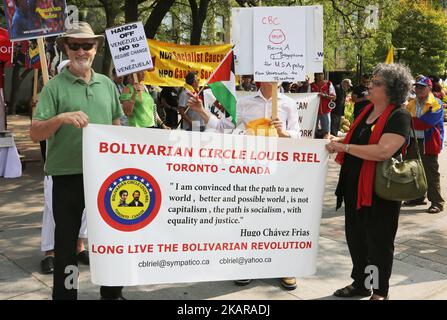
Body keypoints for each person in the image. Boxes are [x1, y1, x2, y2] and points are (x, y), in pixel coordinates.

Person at [30, 22, 125, 300]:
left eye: (87, 45)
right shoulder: (54, 88)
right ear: (66, 48)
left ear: (96, 48)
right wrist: (61, 118)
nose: (81, 50)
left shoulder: (107, 84)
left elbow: (116, 124)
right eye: (75, 45)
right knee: (67, 245)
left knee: (112, 241)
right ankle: (65, 295)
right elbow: (35, 133)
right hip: (67, 175)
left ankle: (112, 293)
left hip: (105, 177)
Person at [188, 81, 300, 291]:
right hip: (251, 170)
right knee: (250, 217)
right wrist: (201, 110)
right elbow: (223, 129)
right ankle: (247, 264)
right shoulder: (245, 103)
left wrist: (285, 134)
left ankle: (285, 266)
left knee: (280, 218)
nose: (272, 77)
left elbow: (299, 135)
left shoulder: (288, 104)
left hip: (280, 170)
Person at [326, 63, 413, 300]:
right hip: (355, 188)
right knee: (357, 240)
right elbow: (359, 138)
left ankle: (378, 290)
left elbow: (382, 151)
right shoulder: (366, 110)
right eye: (371, 82)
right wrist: (338, 139)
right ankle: (361, 284)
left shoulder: (399, 116)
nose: (369, 86)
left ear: (392, 89)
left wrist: (344, 146)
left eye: (376, 83)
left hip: (379, 192)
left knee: (378, 244)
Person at [40, 59, 89, 275]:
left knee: (85, 212)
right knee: (53, 212)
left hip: (87, 168)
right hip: (59, 171)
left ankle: (79, 247)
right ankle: (50, 254)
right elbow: (37, 131)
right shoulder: (52, 93)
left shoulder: (97, 90)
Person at [404, 76, 444, 214]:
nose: (418, 89)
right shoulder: (411, 103)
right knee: (412, 171)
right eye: (417, 87)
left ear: (429, 88)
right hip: (412, 142)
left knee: (431, 173)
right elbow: (407, 120)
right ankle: (417, 197)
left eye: (422, 87)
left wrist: (409, 120)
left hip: (428, 143)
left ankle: (437, 202)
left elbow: (425, 123)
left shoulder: (436, 103)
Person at [310, 72, 336, 139]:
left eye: (321, 74)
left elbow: (334, 97)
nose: (320, 76)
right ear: (315, 75)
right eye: (318, 74)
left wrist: (325, 96)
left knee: (326, 131)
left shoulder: (328, 84)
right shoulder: (311, 85)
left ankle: (325, 145)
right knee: (312, 131)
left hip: (325, 111)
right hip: (314, 112)